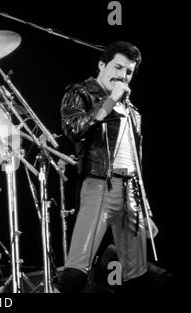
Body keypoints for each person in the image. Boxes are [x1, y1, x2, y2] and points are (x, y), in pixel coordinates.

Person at [58, 41, 158, 293]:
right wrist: (109, 101)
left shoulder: (133, 110)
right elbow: (74, 129)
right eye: (117, 67)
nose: (122, 75)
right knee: (77, 269)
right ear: (102, 64)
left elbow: (137, 159)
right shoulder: (81, 92)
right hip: (100, 184)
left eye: (128, 71)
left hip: (130, 192)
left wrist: (145, 207)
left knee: (138, 273)